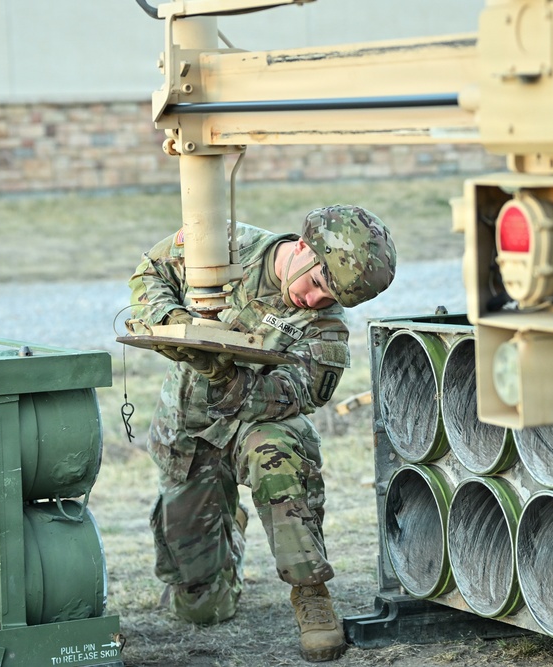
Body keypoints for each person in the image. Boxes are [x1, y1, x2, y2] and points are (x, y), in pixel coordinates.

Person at [127, 204, 396, 662]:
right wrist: (173, 321)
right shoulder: (223, 245)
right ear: (303, 249)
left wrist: (225, 376)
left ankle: (311, 593)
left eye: (330, 300)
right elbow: (151, 273)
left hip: (256, 428)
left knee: (277, 451)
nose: (314, 302)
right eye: (315, 286)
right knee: (200, 609)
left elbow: (298, 394)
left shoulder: (326, 329)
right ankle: (227, 528)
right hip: (190, 433)